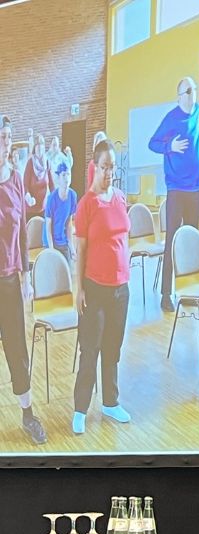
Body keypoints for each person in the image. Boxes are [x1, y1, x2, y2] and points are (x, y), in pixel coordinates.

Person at [72, 140, 132, 436]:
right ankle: (81, 408)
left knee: (113, 348)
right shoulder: (87, 204)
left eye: (113, 166)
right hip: (94, 288)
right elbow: (80, 250)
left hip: (121, 289)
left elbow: (123, 238)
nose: (110, 172)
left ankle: (111, 402)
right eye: (105, 167)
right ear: (95, 167)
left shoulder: (120, 197)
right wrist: (78, 289)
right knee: (90, 349)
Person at [0, 119, 46, 443]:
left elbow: (24, 233)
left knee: (17, 350)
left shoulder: (15, 179)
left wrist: (27, 277)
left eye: (8, 137)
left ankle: (28, 416)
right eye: (1, 137)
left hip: (10, 282)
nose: (5, 142)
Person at [149, 77, 199, 313]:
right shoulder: (171, 118)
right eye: (188, 91)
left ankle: (190, 292)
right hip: (176, 189)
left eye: (194, 90)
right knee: (172, 240)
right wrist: (169, 146)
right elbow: (152, 143)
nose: (192, 95)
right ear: (179, 96)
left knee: (192, 242)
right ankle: (165, 294)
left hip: (196, 187)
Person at [43, 155, 77, 261]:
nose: (66, 178)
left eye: (68, 174)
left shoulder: (72, 195)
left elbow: (69, 222)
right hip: (50, 241)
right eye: (63, 175)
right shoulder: (52, 198)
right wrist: (52, 249)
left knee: (67, 272)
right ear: (58, 177)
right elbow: (48, 226)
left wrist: (71, 247)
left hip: (63, 241)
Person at [22, 132, 48, 215]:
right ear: (34, 148)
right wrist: (28, 197)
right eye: (37, 146)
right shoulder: (30, 163)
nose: (40, 148)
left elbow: (52, 185)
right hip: (30, 209)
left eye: (41, 145)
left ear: (44, 148)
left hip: (43, 208)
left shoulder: (47, 163)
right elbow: (24, 185)